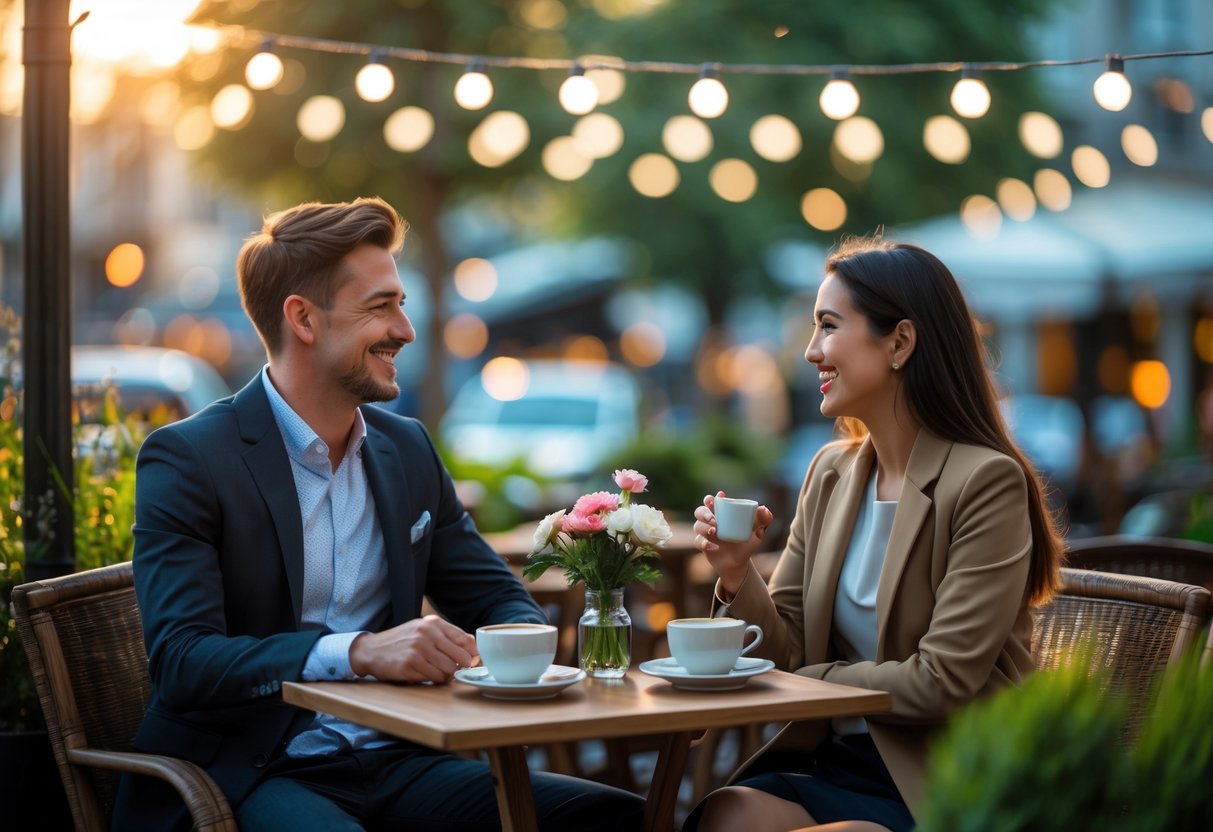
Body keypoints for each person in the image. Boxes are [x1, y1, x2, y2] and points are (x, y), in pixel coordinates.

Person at [112, 197, 645, 831]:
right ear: (303, 319)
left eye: (401, 303)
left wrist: (483, 655)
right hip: (249, 770)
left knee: (614, 817)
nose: (406, 329)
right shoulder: (189, 458)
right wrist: (359, 651)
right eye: (379, 306)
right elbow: (183, 661)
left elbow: (504, 605)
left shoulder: (407, 449)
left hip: (402, 761)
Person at [685, 236, 1064, 832]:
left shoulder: (985, 481)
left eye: (828, 326)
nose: (811, 351)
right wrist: (738, 571)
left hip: (948, 774)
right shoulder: (831, 473)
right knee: (724, 815)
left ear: (900, 342)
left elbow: (942, 683)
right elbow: (784, 650)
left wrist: (807, 684)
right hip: (840, 764)